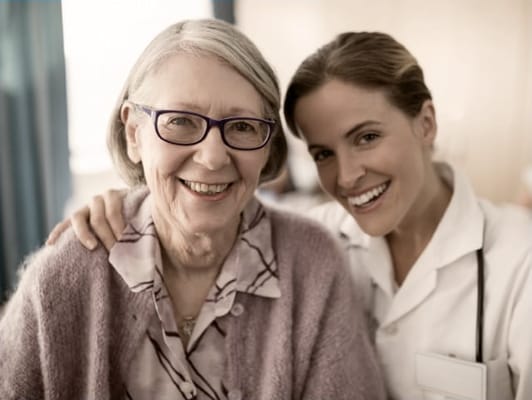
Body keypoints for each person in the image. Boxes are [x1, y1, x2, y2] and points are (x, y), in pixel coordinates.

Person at [53, 29, 532, 400]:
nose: (346, 177)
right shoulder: (315, 243)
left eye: (367, 137)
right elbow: (222, 210)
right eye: (323, 153)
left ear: (425, 122)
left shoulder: (519, 263)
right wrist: (130, 203)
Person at [0, 19, 387, 399]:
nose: (214, 157)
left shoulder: (313, 265)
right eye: (181, 121)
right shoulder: (66, 273)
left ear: (268, 144)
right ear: (134, 133)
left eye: (242, 126)